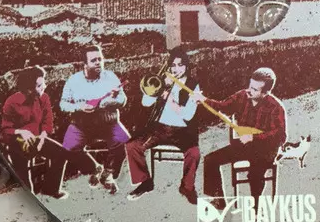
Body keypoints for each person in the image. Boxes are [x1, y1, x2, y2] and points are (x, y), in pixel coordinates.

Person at [0, 66, 101, 199]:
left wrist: (42, 138)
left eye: (44, 83)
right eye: (39, 85)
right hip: (16, 143)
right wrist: (20, 132)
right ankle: (27, 196)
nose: (44, 87)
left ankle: (51, 189)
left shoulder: (44, 98)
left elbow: (47, 123)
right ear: (28, 89)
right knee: (23, 179)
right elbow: (5, 130)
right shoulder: (12, 102)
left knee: (60, 154)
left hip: (38, 138)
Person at [193, 68, 287, 208]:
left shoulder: (276, 107)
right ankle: (219, 200)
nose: (249, 90)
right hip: (245, 145)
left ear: (266, 92)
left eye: (254, 89)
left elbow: (280, 136)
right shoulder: (242, 96)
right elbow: (223, 107)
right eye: (250, 85)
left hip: (266, 149)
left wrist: (254, 138)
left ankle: (256, 206)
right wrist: (204, 100)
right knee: (211, 160)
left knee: (255, 174)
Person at [126, 48, 200, 204]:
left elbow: (188, 115)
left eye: (180, 65)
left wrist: (171, 100)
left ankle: (187, 187)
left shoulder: (193, 85)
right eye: (173, 65)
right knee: (132, 145)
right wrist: (160, 88)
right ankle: (145, 182)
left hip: (182, 131)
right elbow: (146, 103)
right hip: (160, 128)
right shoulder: (163, 81)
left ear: (186, 66)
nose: (176, 69)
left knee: (194, 153)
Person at [60, 45, 130, 195]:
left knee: (125, 143)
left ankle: (108, 174)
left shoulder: (110, 77)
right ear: (84, 64)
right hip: (82, 124)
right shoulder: (73, 81)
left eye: (100, 59)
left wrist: (111, 101)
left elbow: (123, 99)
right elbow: (63, 104)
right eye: (93, 60)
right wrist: (79, 106)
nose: (98, 62)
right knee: (68, 149)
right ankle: (94, 168)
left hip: (108, 123)